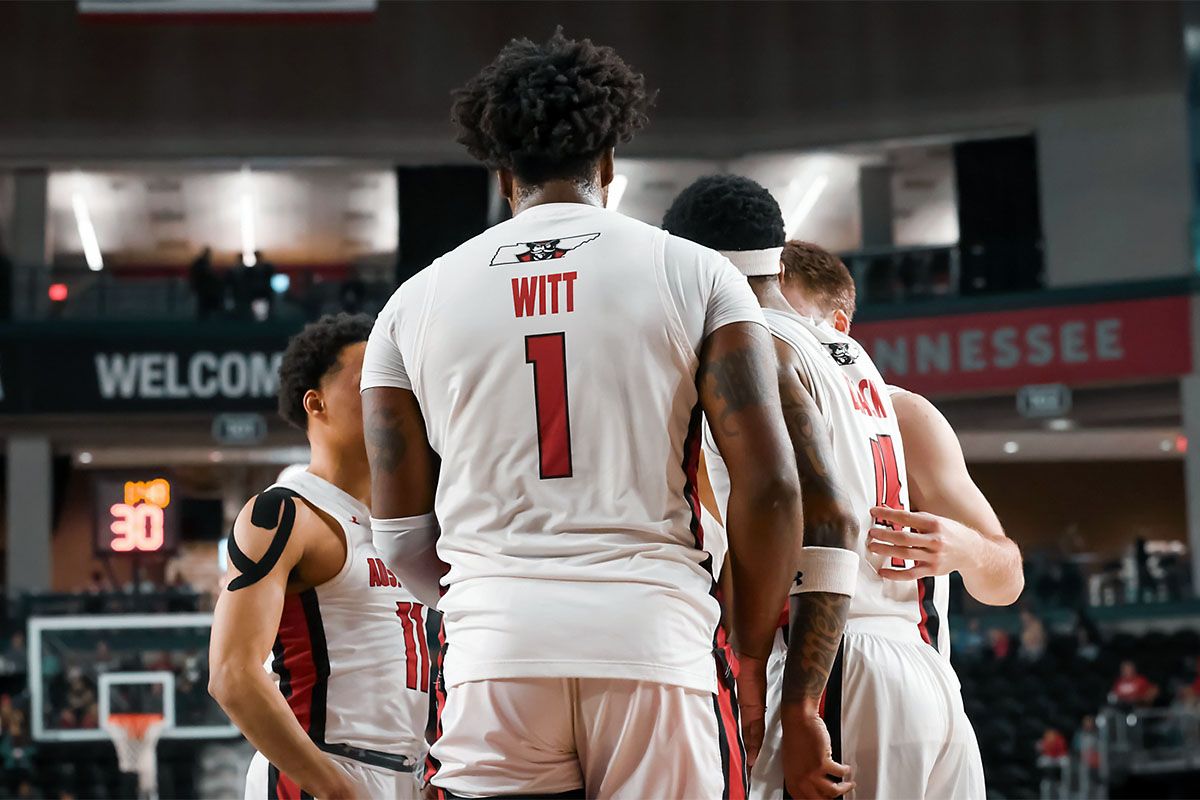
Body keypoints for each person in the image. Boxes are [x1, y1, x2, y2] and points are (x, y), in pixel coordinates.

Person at [361, 30, 802, 800]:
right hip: (652, 638)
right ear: (606, 165)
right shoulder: (698, 274)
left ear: (503, 176)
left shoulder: (410, 305)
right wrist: (751, 654)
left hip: (494, 656)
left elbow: (398, 537)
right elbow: (772, 492)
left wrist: (493, 600)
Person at [663, 177, 984, 800]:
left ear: (693, 267)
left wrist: (790, 699)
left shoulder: (754, 350)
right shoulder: (849, 353)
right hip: (921, 667)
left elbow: (824, 520)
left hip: (833, 659)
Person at [208, 314, 430, 800]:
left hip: (412, 774)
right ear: (317, 402)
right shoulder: (285, 512)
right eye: (367, 379)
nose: (388, 391)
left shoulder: (414, 521)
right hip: (324, 770)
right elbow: (232, 675)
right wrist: (335, 790)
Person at [775, 240, 1024, 628]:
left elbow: (1007, 582)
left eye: (785, 319)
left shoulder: (905, 415)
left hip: (883, 642)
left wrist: (969, 550)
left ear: (838, 329)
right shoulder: (731, 418)